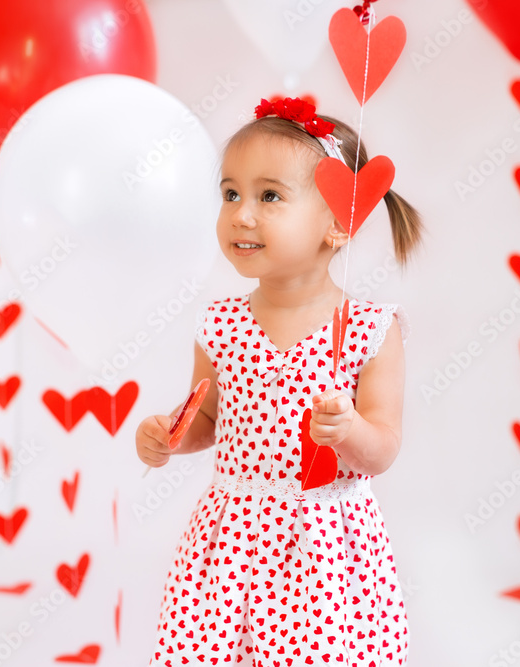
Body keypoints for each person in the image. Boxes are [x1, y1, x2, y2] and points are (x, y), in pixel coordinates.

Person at [136, 96, 423, 666]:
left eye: (269, 196)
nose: (242, 213)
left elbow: (383, 448)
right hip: (233, 540)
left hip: (325, 546)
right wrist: (169, 432)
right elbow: (209, 420)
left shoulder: (368, 329)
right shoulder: (220, 325)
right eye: (230, 193)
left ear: (338, 225)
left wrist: (348, 431)